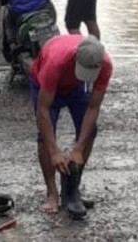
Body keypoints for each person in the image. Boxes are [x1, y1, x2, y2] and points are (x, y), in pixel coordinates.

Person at [30, 35, 113, 217]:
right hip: (44, 84)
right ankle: (52, 193)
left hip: (76, 87)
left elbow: (93, 107)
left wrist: (78, 148)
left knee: (91, 131)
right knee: (45, 136)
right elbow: (43, 110)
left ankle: (71, 189)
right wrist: (54, 152)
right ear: (76, 58)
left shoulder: (105, 65)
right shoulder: (56, 62)